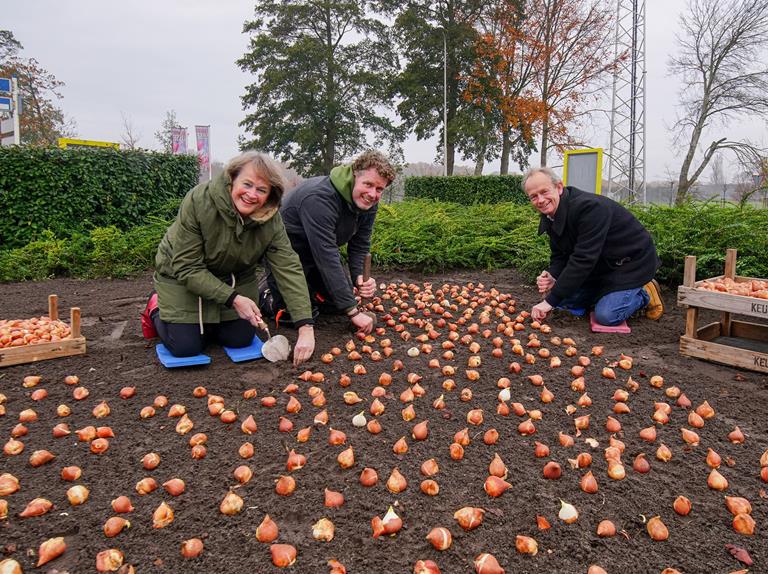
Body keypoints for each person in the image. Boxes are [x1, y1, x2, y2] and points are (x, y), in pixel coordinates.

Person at [141, 151, 315, 365]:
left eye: (261, 190)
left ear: (270, 195)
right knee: (186, 347)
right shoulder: (199, 201)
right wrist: (234, 299)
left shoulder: (271, 219)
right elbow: (186, 266)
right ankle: (156, 306)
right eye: (247, 184)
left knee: (240, 339)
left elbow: (287, 266)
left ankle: (211, 321)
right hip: (182, 277)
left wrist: (306, 326)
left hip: (235, 279)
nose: (252, 195)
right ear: (232, 179)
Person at [260, 150, 397, 334]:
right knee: (298, 315)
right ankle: (267, 294)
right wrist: (353, 311)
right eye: (368, 184)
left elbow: (360, 244)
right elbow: (327, 256)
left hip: (317, 254)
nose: (372, 194)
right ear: (354, 175)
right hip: (286, 256)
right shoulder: (320, 198)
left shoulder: (368, 201)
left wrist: (359, 278)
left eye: (379, 189)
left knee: (335, 305)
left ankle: (307, 291)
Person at [524, 166, 663, 326]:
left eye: (544, 192)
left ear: (559, 187)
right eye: (533, 196)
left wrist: (550, 301)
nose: (540, 200)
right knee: (564, 302)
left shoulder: (589, 209)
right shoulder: (551, 216)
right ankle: (605, 295)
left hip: (630, 264)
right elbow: (560, 254)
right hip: (600, 266)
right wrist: (552, 275)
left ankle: (644, 294)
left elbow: (583, 258)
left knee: (607, 315)